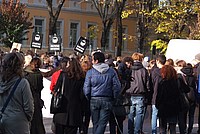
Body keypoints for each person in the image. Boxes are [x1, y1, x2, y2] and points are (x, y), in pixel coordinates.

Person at [83, 52, 121, 134]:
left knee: (95, 123)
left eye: (92, 59)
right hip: (107, 99)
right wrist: (114, 97)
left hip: (94, 98)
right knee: (102, 123)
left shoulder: (90, 72)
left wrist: (88, 97)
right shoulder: (111, 71)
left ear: (96, 61)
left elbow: (86, 88)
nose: (92, 61)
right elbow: (117, 86)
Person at [0, 52, 34, 134]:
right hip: (18, 122)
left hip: (2, 119)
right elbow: (28, 107)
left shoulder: (1, 81)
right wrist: (27, 119)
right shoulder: (23, 83)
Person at [53, 57, 85, 134]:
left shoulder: (63, 75)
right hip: (74, 111)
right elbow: (82, 95)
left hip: (61, 108)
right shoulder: (81, 77)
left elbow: (56, 89)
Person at [126, 52, 150, 134]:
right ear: (141, 59)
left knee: (131, 114)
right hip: (140, 94)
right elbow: (147, 83)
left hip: (130, 94)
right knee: (139, 114)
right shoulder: (143, 70)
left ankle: (130, 131)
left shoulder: (129, 69)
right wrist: (148, 92)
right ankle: (137, 131)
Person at [155, 65, 181, 134]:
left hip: (163, 108)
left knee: (162, 128)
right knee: (172, 128)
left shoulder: (162, 83)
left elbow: (159, 96)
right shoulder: (176, 82)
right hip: (174, 107)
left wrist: (157, 105)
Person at [24, 57, 46, 134]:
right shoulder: (39, 75)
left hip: (27, 99)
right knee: (37, 121)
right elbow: (40, 87)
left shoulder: (25, 74)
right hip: (36, 99)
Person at [150, 54, 166, 134]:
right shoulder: (167, 71)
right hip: (164, 97)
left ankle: (154, 132)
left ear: (157, 61)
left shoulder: (153, 71)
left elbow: (150, 84)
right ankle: (162, 131)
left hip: (155, 95)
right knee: (163, 116)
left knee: (154, 115)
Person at [181, 63, 197, 134]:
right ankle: (189, 130)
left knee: (184, 114)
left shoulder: (183, 75)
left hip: (185, 97)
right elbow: (195, 87)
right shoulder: (194, 76)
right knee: (191, 115)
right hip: (192, 96)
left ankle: (184, 128)